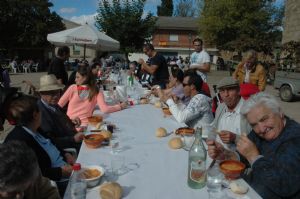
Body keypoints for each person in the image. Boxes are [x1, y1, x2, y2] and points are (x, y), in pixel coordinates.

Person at [207, 92, 300, 199]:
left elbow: (285, 186)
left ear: (280, 113)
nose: (261, 129)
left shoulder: (295, 138)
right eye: (254, 124)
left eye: (264, 119)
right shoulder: (259, 133)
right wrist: (225, 154)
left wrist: (254, 157)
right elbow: (242, 157)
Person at [4, 95, 74, 196]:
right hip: (54, 184)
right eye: (40, 110)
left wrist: (65, 154)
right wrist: (61, 172)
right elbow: (33, 174)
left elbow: (52, 143)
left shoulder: (34, 128)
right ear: (35, 115)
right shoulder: (19, 141)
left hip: (66, 169)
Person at [58, 65, 127, 126]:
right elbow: (105, 109)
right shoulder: (96, 91)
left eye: (77, 77)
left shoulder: (73, 88)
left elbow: (58, 106)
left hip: (70, 125)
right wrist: (120, 106)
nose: (75, 80)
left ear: (85, 78)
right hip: (85, 126)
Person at [37, 74, 84, 151]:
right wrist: (73, 139)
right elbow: (50, 140)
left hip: (73, 139)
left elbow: (60, 122)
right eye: (51, 93)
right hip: (67, 149)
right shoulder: (40, 112)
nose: (56, 96)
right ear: (41, 94)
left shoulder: (53, 105)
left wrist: (72, 122)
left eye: (57, 92)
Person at [212, 77, 251, 149]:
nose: (226, 94)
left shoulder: (249, 111)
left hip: (237, 158)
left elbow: (255, 143)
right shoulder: (220, 107)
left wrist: (235, 138)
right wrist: (210, 141)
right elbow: (214, 128)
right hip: (218, 155)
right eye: (222, 91)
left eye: (230, 89)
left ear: (238, 91)